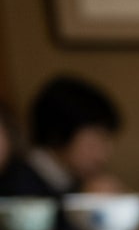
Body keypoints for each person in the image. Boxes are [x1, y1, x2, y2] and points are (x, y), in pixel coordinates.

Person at [0, 75, 123, 212]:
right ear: (58, 134)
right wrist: (84, 203)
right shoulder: (18, 180)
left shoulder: (71, 181)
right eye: (96, 140)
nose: (103, 154)